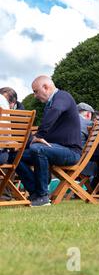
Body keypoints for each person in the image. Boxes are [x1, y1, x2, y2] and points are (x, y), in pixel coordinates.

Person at [13, 76, 82, 207]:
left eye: (35, 91)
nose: (34, 96)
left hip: (70, 152)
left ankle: (43, 196)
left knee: (38, 149)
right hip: (54, 149)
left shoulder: (62, 96)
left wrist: (38, 135)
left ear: (46, 87)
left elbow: (55, 111)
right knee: (15, 156)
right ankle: (35, 194)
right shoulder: (51, 104)